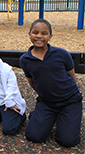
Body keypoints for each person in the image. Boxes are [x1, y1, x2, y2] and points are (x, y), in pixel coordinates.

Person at [20, 19, 82, 147]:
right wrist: (45, 95)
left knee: (67, 141)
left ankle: (64, 117)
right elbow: (32, 81)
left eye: (44, 33)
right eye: (35, 32)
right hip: (47, 102)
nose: (39, 36)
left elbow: (71, 76)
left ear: (50, 36)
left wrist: (68, 94)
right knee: (34, 136)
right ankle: (40, 115)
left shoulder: (61, 54)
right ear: (29, 34)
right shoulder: (25, 60)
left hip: (69, 101)